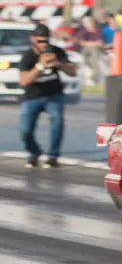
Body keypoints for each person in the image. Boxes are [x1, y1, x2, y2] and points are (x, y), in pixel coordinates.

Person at [18, 24, 77, 168]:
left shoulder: (57, 51)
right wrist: (40, 66)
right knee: (25, 130)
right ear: (33, 39)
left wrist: (58, 64)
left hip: (53, 95)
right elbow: (24, 81)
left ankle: (53, 156)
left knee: (57, 122)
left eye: (46, 41)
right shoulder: (28, 56)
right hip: (32, 96)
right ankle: (34, 153)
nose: (43, 45)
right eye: (40, 41)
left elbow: (72, 72)